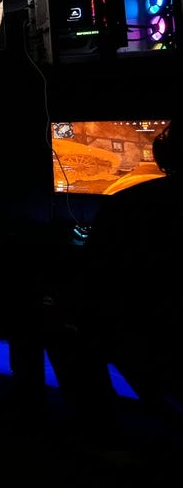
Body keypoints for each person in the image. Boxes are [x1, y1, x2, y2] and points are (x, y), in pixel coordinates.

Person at [48, 120, 182, 441]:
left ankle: (103, 439)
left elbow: (92, 284)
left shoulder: (127, 204)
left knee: (61, 325)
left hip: (145, 336)